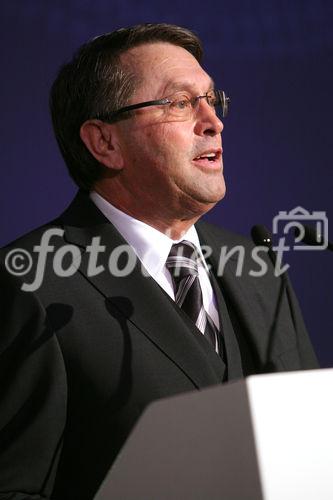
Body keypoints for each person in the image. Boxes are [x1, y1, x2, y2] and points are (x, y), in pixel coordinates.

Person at [0, 23, 318, 500]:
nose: (214, 122)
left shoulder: (260, 269)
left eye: (213, 100)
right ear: (104, 143)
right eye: (179, 103)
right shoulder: (29, 284)